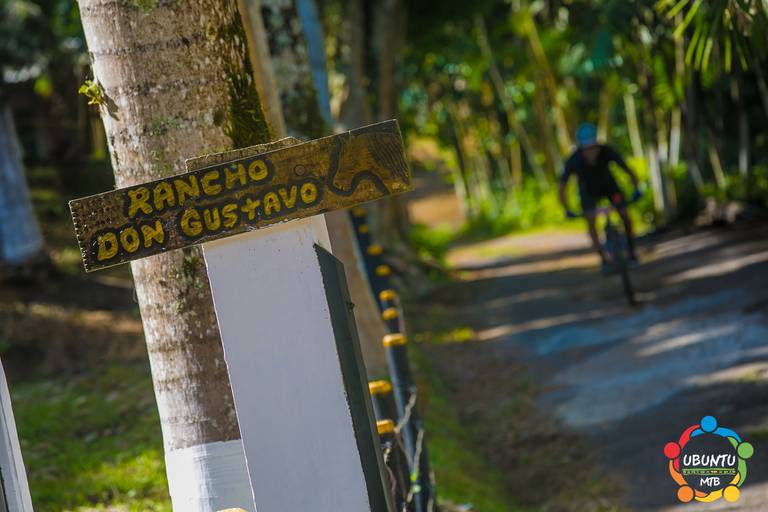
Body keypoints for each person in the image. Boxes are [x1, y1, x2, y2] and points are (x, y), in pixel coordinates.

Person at [559, 123, 641, 269]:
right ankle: (603, 259)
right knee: (591, 222)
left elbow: (628, 170)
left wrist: (636, 189)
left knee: (625, 215)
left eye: (593, 147)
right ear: (581, 148)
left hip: (610, 188)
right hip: (588, 192)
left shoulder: (607, 151)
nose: (591, 152)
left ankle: (632, 253)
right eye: (587, 149)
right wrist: (567, 209)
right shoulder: (573, 160)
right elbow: (562, 187)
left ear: (597, 144)